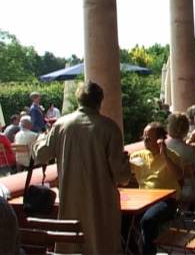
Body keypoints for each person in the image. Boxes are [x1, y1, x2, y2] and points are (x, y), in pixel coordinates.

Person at [34, 81, 131, 254]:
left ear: (78, 99)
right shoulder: (109, 128)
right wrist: (125, 165)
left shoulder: (61, 125)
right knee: (102, 245)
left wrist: (42, 139)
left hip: (71, 201)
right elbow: (121, 176)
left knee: (71, 246)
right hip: (102, 204)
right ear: (100, 101)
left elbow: (41, 155)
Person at [129, 122, 183, 255]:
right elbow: (123, 177)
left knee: (148, 220)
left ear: (160, 139)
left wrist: (164, 156)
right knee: (123, 219)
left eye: (149, 138)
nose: (145, 141)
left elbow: (179, 175)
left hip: (167, 201)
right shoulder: (137, 156)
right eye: (144, 138)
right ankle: (133, 251)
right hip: (143, 200)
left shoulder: (172, 156)